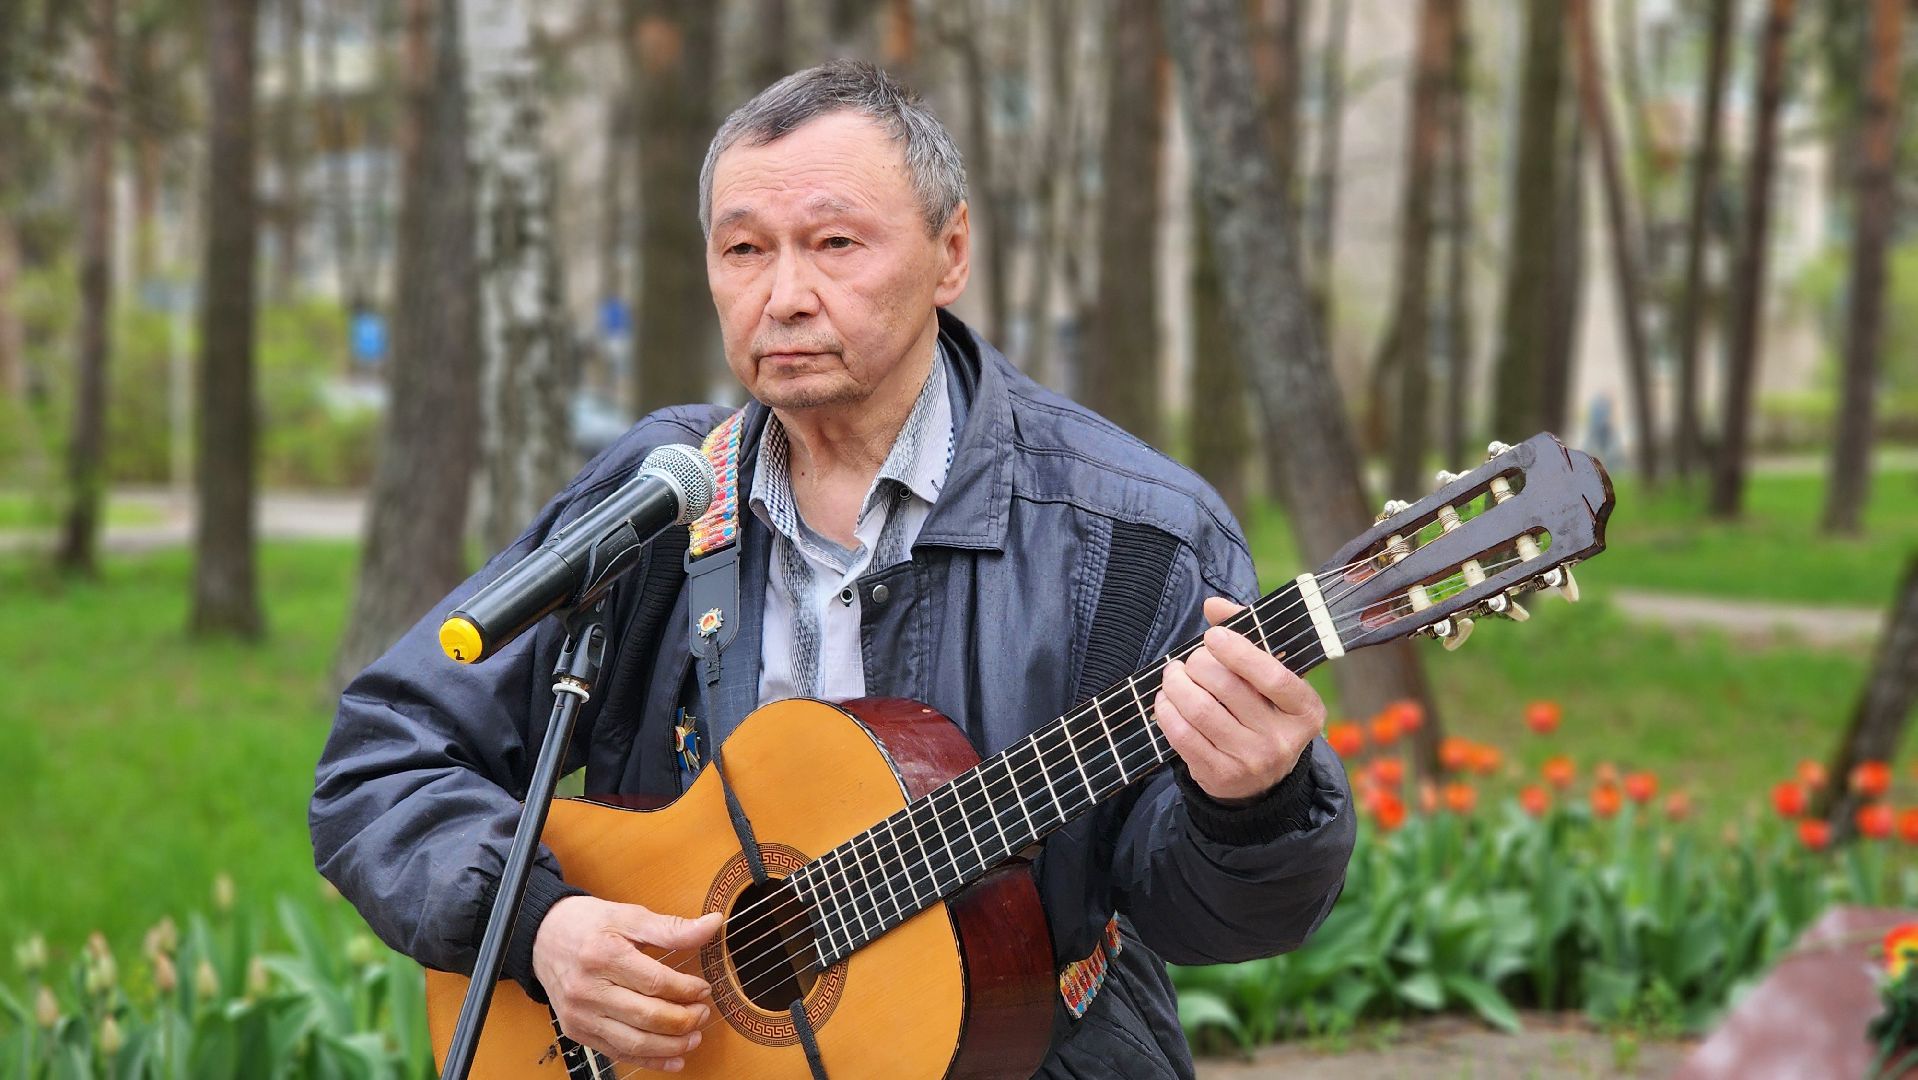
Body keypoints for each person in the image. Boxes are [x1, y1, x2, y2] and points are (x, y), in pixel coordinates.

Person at [312, 60, 1354, 1078]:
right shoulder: (664, 497)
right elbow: (384, 757)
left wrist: (1253, 806)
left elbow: (1209, 916)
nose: (784, 296)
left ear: (951, 255)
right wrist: (540, 928)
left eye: (835, 243)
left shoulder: (1132, 533)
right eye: (743, 250)